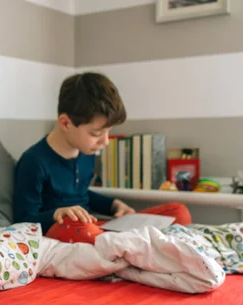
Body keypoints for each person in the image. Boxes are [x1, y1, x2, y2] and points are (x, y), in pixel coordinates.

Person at [13, 72, 191, 244]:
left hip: (94, 226)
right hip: (71, 230)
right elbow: (22, 221)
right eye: (96, 133)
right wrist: (57, 213)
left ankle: (124, 242)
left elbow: (81, 194)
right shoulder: (34, 162)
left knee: (179, 212)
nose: (105, 142)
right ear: (65, 123)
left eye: (108, 132)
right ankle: (129, 244)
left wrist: (114, 205)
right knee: (82, 227)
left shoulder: (85, 153)